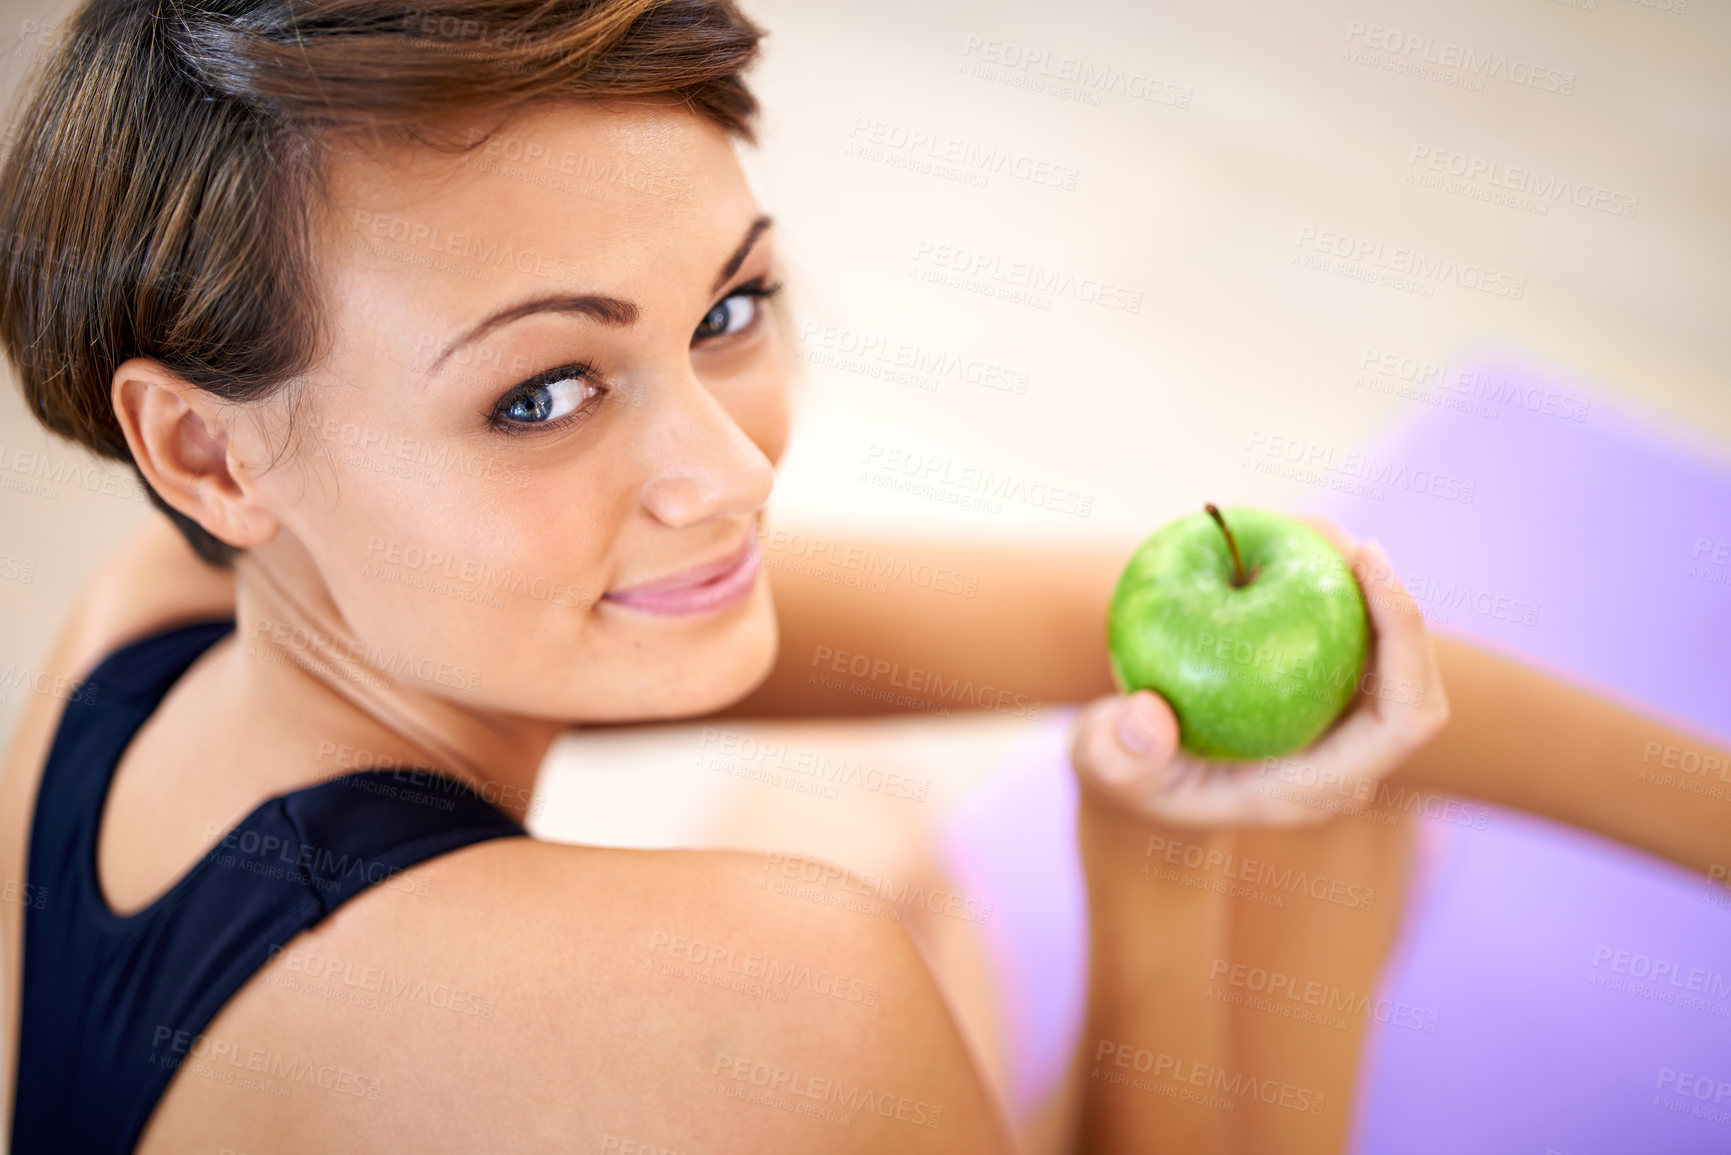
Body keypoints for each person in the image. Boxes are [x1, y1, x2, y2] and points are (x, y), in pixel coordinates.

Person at [0, 2, 1721, 1152]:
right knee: (1306, 842)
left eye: (727, 310)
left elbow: (1170, 623)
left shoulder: (135, 641)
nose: (730, 474)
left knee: (859, 827)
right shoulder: (769, 996)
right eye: (542, 393)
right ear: (208, 452)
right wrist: (1154, 853)